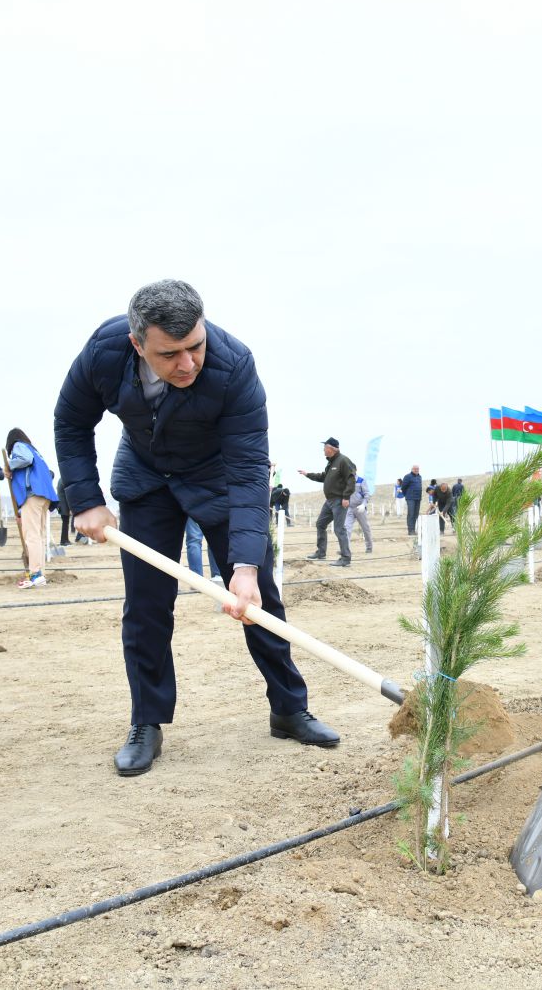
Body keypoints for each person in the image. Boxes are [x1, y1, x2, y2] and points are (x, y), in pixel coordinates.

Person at [55, 280, 338, 777]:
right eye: (171, 354)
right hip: (145, 479)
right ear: (138, 344)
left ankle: (289, 710)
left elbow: (250, 469)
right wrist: (87, 499)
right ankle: (147, 722)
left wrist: (246, 565)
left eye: (195, 347)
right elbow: (71, 422)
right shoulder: (104, 351)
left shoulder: (234, 365)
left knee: (260, 601)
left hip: (219, 480)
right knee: (145, 605)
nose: (188, 364)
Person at [5, 428, 59, 587]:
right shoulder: (36, 451)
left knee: (32, 535)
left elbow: (24, 459)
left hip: (33, 495)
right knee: (39, 535)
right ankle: (40, 573)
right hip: (44, 496)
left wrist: (8, 465)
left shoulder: (19, 446)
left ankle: (35, 574)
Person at [299, 437, 355, 567]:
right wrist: (308, 474)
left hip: (339, 500)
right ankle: (321, 552)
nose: (323, 450)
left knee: (339, 529)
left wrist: (346, 497)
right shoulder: (331, 462)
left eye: (325, 448)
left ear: (332, 449)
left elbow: (351, 479)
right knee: (320, 524)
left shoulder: (343, 461)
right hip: (329, 501)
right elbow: (323, 477)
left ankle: (345, 558)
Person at [345, 475, 373, 553]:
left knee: (365, 528)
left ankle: (369, 547)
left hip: (360, 508)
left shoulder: (361, 480)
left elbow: (367, 494)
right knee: (346, 528)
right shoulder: (345, 480)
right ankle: (345, 549)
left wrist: (363, 505)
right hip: (349, 508)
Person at [399, 465, 423, 537]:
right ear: (412, 469)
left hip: (418, 498)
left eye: (417, 469)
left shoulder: (419, 477)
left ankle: (413, 529)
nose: (416, 470)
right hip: (410, 498)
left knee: (416, 514)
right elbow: (403, 487)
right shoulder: (407, 476)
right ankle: (410, 530)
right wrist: (407, 495)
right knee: (411, 514)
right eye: (415, 469)